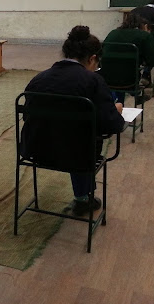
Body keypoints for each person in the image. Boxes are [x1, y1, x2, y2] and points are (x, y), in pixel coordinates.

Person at [23, 25, 124, 216]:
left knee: (70, 130)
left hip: (35, 150)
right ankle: (83, 199)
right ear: (92, 59)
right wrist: (116, 110)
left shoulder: (39, 78)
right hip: (78, 157)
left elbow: (27, 115)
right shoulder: (93, 81)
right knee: (83, 135)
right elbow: (112, 125)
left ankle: (82, 198)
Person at [103, 13, 154, 103]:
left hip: (105, 78)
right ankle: (137, 95)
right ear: (145, 26)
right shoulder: (144, 36)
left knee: (118, 69)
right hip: (129, 81)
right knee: (126, 71)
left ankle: (118, 104)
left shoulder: (113, 33)